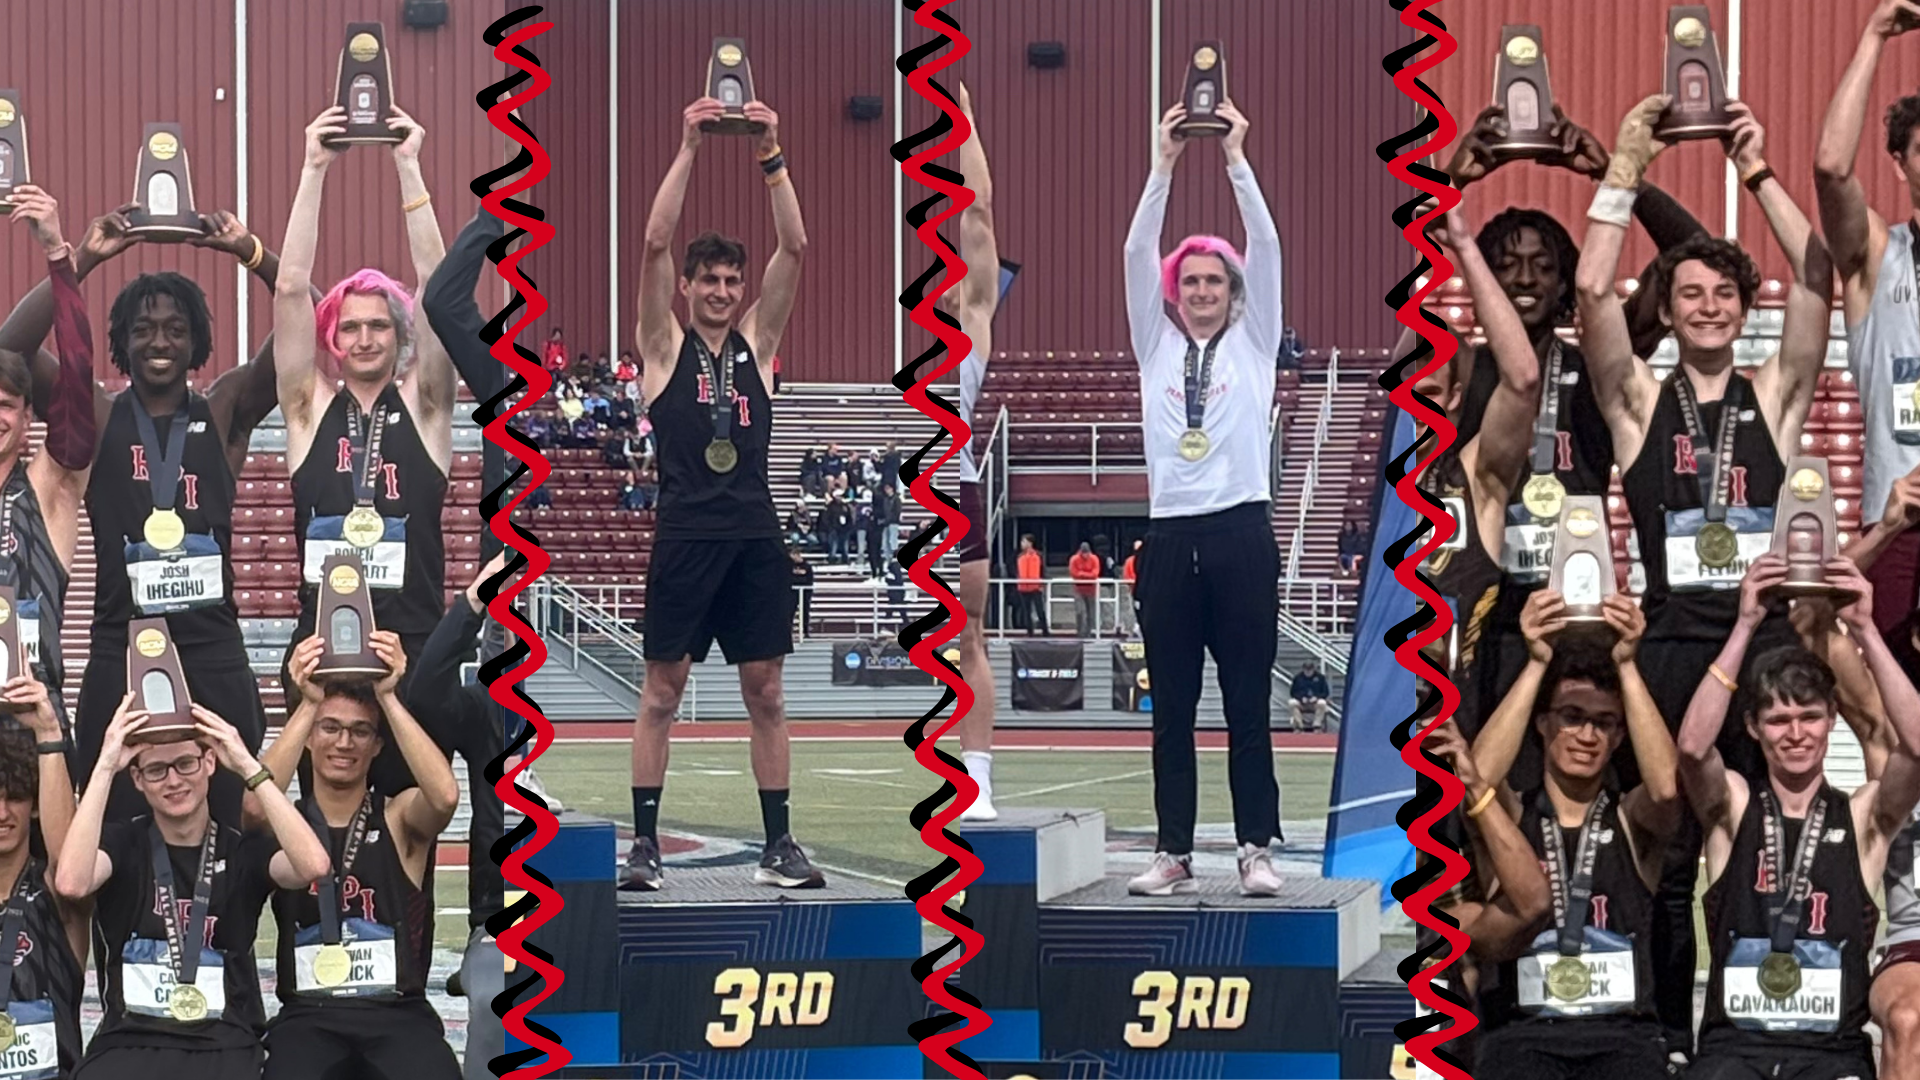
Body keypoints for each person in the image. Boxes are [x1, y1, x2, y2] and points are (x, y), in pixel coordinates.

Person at [1577, 96, 1832, 1054]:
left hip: (1765, 649)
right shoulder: (1640, 403)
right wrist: (1628, 164)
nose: (1710, 307)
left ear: (1742, 305)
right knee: (1665, 853)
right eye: (1690, 295)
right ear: (1673, 309)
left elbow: (1819, 272)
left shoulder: (1776, 393)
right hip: (1671, 649)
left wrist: (1758, 170)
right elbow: (1596, 297)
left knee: (1765, 848)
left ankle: (1747, 1026)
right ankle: (1663, 1034)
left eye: (1724, 294)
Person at [0, 194, 290, 828]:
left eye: (176, 329)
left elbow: (309, 320)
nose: (160, 340)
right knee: (115, 825)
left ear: (198, 343)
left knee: (230, 824)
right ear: (120, 344)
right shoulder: (99, 417)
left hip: (212, 644)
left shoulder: (226, 408)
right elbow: (9, 348)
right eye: (143, 329)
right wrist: (77, 261)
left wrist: (254, 254)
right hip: (118, 644)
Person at [622, 95, 818, 892]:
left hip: (753, 539)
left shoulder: (758, 345)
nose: (724, 288)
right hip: (685, 538)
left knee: (765, 692)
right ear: (690, 285)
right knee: (662, 693)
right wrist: (691, 145)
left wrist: (771, 152)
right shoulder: (663, 346)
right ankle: (645, 846)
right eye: (711, 278)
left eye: (733, 278)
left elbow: (797, 247)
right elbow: (653, 240)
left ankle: (779, 844)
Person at [1122, 98, 1285, 897]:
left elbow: (1271, 245)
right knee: (1171, 713)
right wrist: (1163, 164)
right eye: (1188, 280)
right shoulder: (1153, 345)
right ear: (1172, 289)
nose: (1200, 289)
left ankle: (1255, 847)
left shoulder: (1255, 344)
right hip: (1168, 539)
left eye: (1214, 279)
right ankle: (1174, 850)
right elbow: (1133, 247)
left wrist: (1233, 159)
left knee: (1247, 703)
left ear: (1235, 289)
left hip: (1241, 534)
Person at [1676, 555, 1920, 1080]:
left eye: (1810, 716)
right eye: (1778, 719)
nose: (1795, 733)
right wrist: (1744, 625)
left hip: (1829, 1054)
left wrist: (1864, 629)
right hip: (1733, 1051)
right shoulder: (1733, 807)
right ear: (1754, 727)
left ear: (1832, 719)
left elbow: (1917, 748)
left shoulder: (1862, 816)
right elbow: (1694, 750)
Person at [273, 105, 454, 740]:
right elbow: (291, 288)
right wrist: (314, 167)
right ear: (332, 338)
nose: (365, 336)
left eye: (379, 323)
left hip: (415, 642)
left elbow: (439, 287)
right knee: (322, 820)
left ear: (399, 333)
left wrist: (408, 165)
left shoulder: (428, 406)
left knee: (417, 813)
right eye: (349, 325)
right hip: (321, 645)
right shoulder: (308, 408)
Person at [1464, 590, 1680, 1080]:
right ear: (1543, 724)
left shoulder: (1631, 822)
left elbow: (1667, 790)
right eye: (1572, 717)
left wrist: (1626, 666)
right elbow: (1476, 776)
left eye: (1604, 723)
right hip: (1524, 1032)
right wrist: (1538, 661)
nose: (1587, 735)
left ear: (1619, 736)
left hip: (1621, 1036)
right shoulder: (1511, 818)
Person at [56, 696, 331, 1080]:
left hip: (224, 1042)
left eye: (185, 763)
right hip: (131, 1040)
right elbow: (71, 882)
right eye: (155, 770)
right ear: (136, 779)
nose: (173, 780)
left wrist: (248, 765)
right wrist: (104, 766)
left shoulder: (241, 851)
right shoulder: (123, 844)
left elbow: (313, 866)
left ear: (209, 763)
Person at [257, 633, 460, 1079]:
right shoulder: (285, 826)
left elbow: (444, 797)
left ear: (377, 745)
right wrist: (308, 705)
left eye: (360, 731)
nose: (344, 743)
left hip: (394, 1011)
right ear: (309, 738)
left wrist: (386, 697)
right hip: (309, 1014)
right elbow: (255, 804)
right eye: (330, 728)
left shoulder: (398, 816)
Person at [1815, 0, 1920, 632]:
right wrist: (1874, 37)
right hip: (1899, 521)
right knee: (1891, 714)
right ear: (1901, 163)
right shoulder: (1880, 257)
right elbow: (1830, 166)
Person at [0, 189, 97, 741]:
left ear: (28, 414)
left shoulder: (48, 486)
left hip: (36, 719)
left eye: (6, 404)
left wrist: (60, 254)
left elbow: (77, 377)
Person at [943, 82, 1004, 822]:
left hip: (955, 491)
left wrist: (963, 120)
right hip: (900, 494)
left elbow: (979, 212)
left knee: (970, 633)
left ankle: (979, 780)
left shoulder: (969, 328)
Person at [0, 659, 88, 1077]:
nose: (3, 812)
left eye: (15, 795)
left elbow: (69, 864)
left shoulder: (55, 893)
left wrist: (49, 734)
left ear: (34, 803)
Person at [1068, 542, 1101, 640]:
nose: (1086, 555)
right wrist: (1088, 575)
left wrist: (1081, 574)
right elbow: (1073, 573)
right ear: (1080, 552)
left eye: (1087, 553)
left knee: (1091, 612)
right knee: (1080, 611)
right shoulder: (1074, 559)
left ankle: (1089, 632)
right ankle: (1080, 633)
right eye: (1084, 553)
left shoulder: (1094, 559)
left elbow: (1095, 574)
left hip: (1091, 589)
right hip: (1078, 589)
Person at [1288, 661, 1330, 733]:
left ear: (1313, 669)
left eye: (1310, 670)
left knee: (1322, 703)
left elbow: (1325, 692)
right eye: (1306, 670)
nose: (1308, 672)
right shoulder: (1298, 678)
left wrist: (1317, 697)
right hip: (1302, 703)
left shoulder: (1320, 678)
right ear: (1303, 669)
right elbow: (1293, 692)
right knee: (1292, 703)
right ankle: (1299, 726)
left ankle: (1317, 725)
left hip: (1315, 703)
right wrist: (1301, 698)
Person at [1016, 535, 1046, 635]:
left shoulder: (1038, 555)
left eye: (1023, 541)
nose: (1022, 544)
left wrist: (1042, 584)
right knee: (1026, 612)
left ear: (1030, 543)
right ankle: (1029, 632)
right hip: (1023, 587)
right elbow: (1017, 571)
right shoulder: (1020, 556)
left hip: (1035, 587)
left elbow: (1042, 570)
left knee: (1040, 610)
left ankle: (1045, 632)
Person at [789, 547, 814, 638]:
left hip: (805, 593)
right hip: (792, 593)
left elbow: (808, 580)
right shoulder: (789, 566)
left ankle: (806, 631)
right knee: (790, 612)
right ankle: (788, 631)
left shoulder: (807, 566)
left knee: (805, 612)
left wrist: (796, 577)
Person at [821, 491, 851, 565]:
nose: (840, 497)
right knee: (834, 544)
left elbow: (849, 517)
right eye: (838, 496)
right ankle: (832, 558)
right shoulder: (830, 506)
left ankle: (845, 557)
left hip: (844, 529)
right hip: (834, 528)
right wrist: (831, 527)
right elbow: (826, 518)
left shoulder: (845, 506)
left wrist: (848, 527)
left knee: (845, 544)